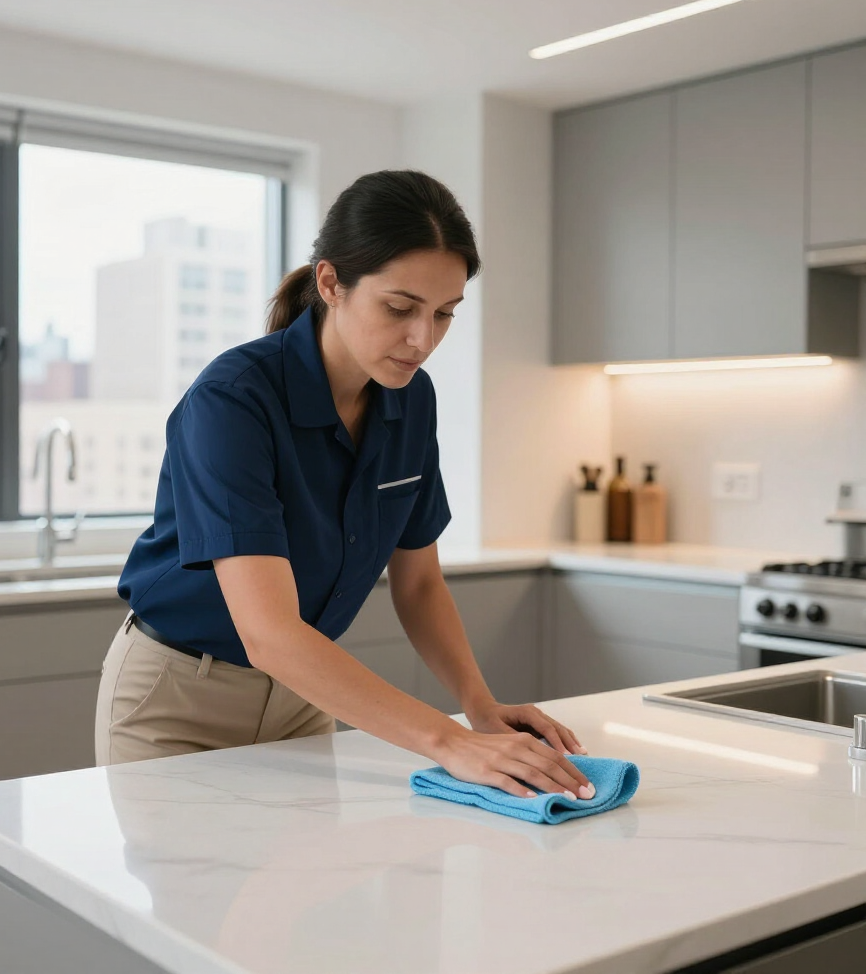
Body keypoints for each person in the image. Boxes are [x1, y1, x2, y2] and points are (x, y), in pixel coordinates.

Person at [95, 169, 594, 802]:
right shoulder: (234, 400)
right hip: (179, 703)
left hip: (302, 700)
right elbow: (269, 632)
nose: (424, 339)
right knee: (182, 900)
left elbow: (418, 582)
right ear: (332, 283)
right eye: (400, 308)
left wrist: (478, 706)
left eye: (444, 314)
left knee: (300, 899)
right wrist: (449, 742)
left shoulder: (410, 399)